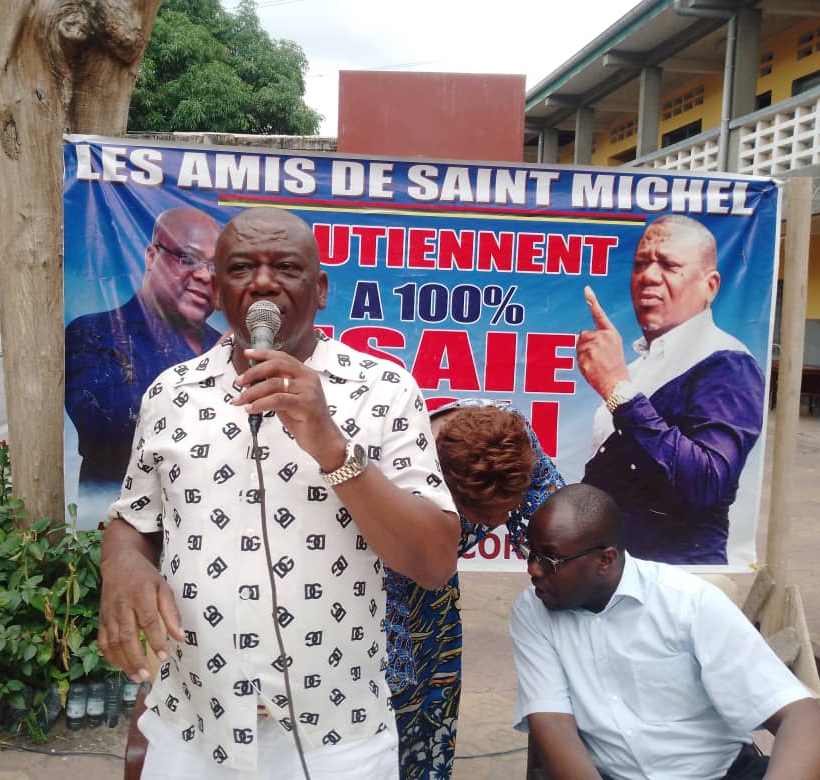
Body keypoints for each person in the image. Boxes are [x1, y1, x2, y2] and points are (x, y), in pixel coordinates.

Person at [97, 207, 461, 778]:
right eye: (242, 268)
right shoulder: (171, 394)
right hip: (193, 729)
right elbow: (134, 519)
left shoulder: (383, 390)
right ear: (219, 292)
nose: (263, 282)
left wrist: (332, 446)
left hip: (337, 739)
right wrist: (120, 563)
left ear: (320, 289)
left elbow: (434, 561)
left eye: (286, 267)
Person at [512, 483, 820, 780]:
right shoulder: (534, 611)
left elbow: (808, 727)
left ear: (605, 560)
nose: (533, 569)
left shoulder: (689, 603)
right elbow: (554, 725)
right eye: (531, 552)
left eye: (550, 559)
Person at [386, 398, 563, 778]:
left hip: (434, 605)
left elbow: (558, 527)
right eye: (486, 515)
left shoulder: (513, 441)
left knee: (432, 721)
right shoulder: (399, 472)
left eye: (509, 507)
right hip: (371, 596)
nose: (502, 519)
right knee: (380, 722)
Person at [577, 214, 764, 564]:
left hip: (679, 579)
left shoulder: (727, 362)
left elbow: (707, 483)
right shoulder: (637, 366)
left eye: (669, 265)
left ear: (710, 286)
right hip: (620, 573)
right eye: (640, 264)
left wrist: (618, 390)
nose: (648, 276)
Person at [65, 206, 223, 497]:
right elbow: (108, 430)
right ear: (151, 256)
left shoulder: (229, 347)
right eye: (188, 258)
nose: (204, 275)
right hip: (118, 512)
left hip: (207, 512)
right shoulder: (93, 334)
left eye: (215, 267)